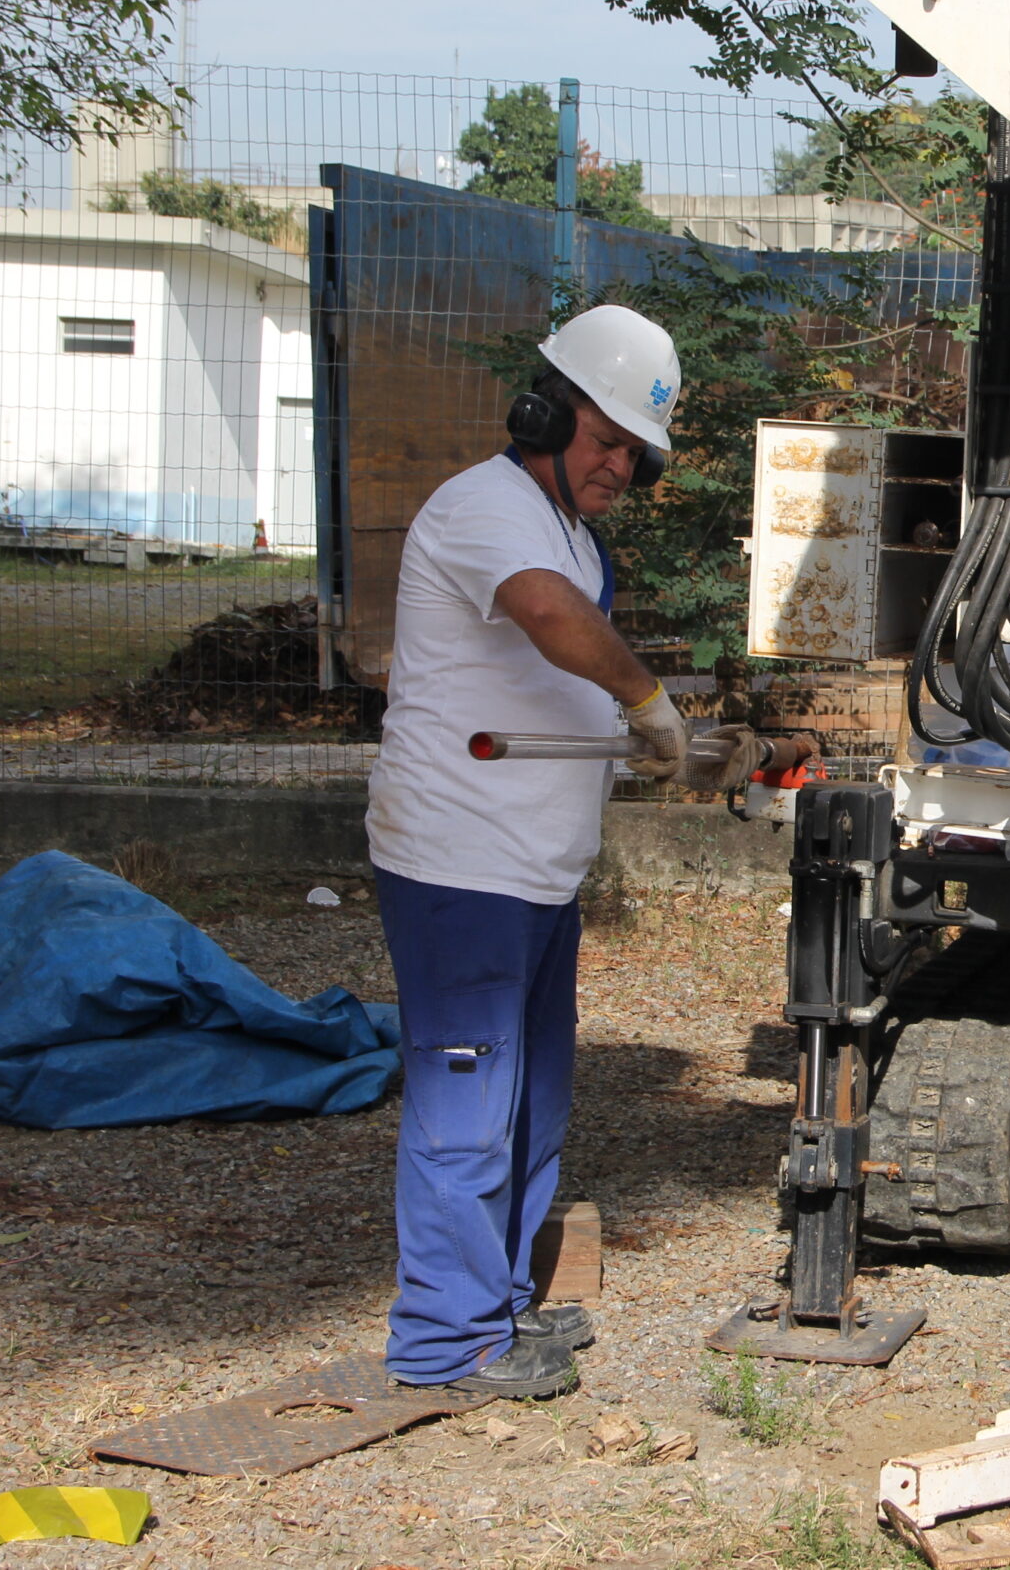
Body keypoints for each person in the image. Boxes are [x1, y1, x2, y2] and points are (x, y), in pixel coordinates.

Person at [366, 303, 788, 1399]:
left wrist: (660, 745)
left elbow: (563, 683)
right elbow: (552, 621)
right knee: (465, 1107)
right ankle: (443, 1346)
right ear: (544, 413)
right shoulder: (484, 508)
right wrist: (646, 699)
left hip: (533, 867)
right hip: (459, 860)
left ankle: (497, 1314)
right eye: (604, 440)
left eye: (633, 455)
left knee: (534, 1100)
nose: (616, 467)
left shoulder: (572, 533)